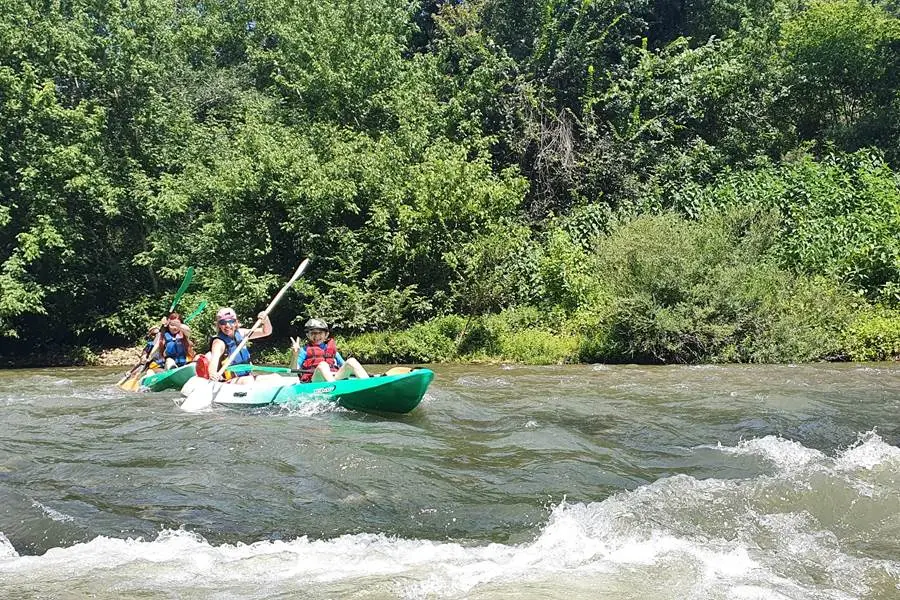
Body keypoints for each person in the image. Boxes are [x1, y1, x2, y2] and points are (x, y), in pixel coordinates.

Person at [205, 306, 272, 384]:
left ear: (236, 322)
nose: (227, 325)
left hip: (247, 376)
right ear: (219, 325)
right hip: (229, 381)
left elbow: (266, 332)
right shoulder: (219, 342)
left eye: (231, 321)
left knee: (275, 377)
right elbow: (213, 362)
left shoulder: (241, 333)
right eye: (223, 322)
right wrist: (213, 374)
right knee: (248, 381)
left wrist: (266, 320)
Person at [291, 318, 369, 382]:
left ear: (326, 334)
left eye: (320, 333)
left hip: (333, 377)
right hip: (315, 380)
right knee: (323, 365)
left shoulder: (332, 350)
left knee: (351, 361)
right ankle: (336, 388)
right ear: (308, 335)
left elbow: (344, 365)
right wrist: (295, 355)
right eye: (313, 333)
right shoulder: (304, 351)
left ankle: (368, 384)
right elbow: (293, 372)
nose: (317, 336)